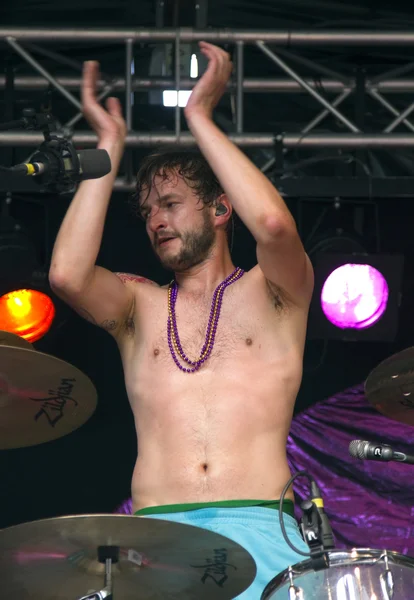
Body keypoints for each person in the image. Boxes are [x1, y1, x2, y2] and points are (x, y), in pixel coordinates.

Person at [49, 41, 314, 599]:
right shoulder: (136, 305)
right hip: (157, 537)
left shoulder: (277, 293)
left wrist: (200, 118)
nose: (156, 221)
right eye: (147, 211)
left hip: (264, 529)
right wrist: (108, 148)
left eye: (170, 203)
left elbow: (271, 222)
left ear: (220, 210)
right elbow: (68, 276)